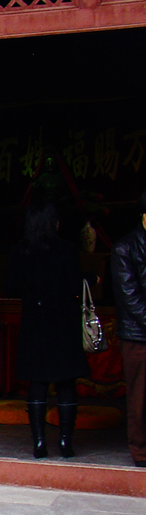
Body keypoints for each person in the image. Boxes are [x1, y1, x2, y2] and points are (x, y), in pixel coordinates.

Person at [6, 203, 89, 459]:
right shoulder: (66, 249)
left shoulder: (18, 251)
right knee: (66, 382)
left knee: (37, 382)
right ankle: (65, 442)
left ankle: (39, 443)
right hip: (63, 322)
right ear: (52, 223)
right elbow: (75, 285)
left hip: (34, 322)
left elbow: (10, 289)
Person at [111, 191, 146, 466]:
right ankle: (141, 451)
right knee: (140, 397)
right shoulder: (125, 248)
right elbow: (130, 297)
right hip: (138, 336)